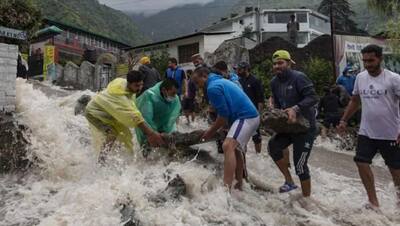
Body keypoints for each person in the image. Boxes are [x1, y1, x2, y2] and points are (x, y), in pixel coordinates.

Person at [337, 44, 400, 209]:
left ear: (380, 59)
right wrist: (344, 120)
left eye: (371, 60)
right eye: (365, 61)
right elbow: (355, 101)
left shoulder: (394, 79)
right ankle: (373, 202)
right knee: (361, 162)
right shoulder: (361, 77)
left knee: (395, 169)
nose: (368, 64)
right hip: (367, 131)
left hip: (391, 132)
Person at [192, 66, 260, 190]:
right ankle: (239, 185)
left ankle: (226, 188)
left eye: (197, 82)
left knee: (227, 146)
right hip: (249, 117)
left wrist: (209, 132)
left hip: (246, 117)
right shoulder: (221, 81)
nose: (198, 86)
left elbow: (223, 116)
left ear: (204, 76)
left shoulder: (212, 88)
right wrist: (223, 127)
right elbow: (227, 112)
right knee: (236, 150)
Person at [268, 50, 319, 197]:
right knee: (273, 146)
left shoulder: (299, 78)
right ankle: (289, 181)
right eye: (275, 64)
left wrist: (295, 109)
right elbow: (278, 104)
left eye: (281, 63)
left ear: (289, 63)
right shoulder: (274, 82)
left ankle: (306, 200)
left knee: (300, 166)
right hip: (288, 126)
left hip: (305, 127)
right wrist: (274, 117)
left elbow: (313, 97)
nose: (277, 66)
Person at [85, 71, 164, 161]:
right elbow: (135, 116)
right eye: (137, 86)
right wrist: (151, 134)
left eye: (141, 85)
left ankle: (115, 158)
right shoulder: (120, 96)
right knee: (112, 134)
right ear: (129, 83)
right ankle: (101, 161)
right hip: (94, 113)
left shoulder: (123, 83)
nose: (140, 88)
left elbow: (133, 109)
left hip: (107, 112)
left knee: (122, 136)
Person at [135, 78, 181, 156]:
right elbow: (145, 118)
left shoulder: (175, 99)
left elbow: (173, 117)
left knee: (168, 148)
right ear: (164, 90)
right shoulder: (149, 96)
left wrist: (167, 133)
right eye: (172, 93)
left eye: (176, 93)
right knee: (146, 148)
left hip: (163, 125)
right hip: (147, 127)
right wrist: (152, 133)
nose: (174, 96)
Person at [237, 62, 265, 154]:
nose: (238, 71)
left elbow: (260, 99)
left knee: (256, 136)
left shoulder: (255, 81)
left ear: (246, 69)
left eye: (240, 69)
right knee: (242, 135)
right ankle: (243, 155)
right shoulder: (239, 81)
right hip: (241, 113)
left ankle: (258, 155)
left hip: (253, 114)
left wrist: (259, 115)